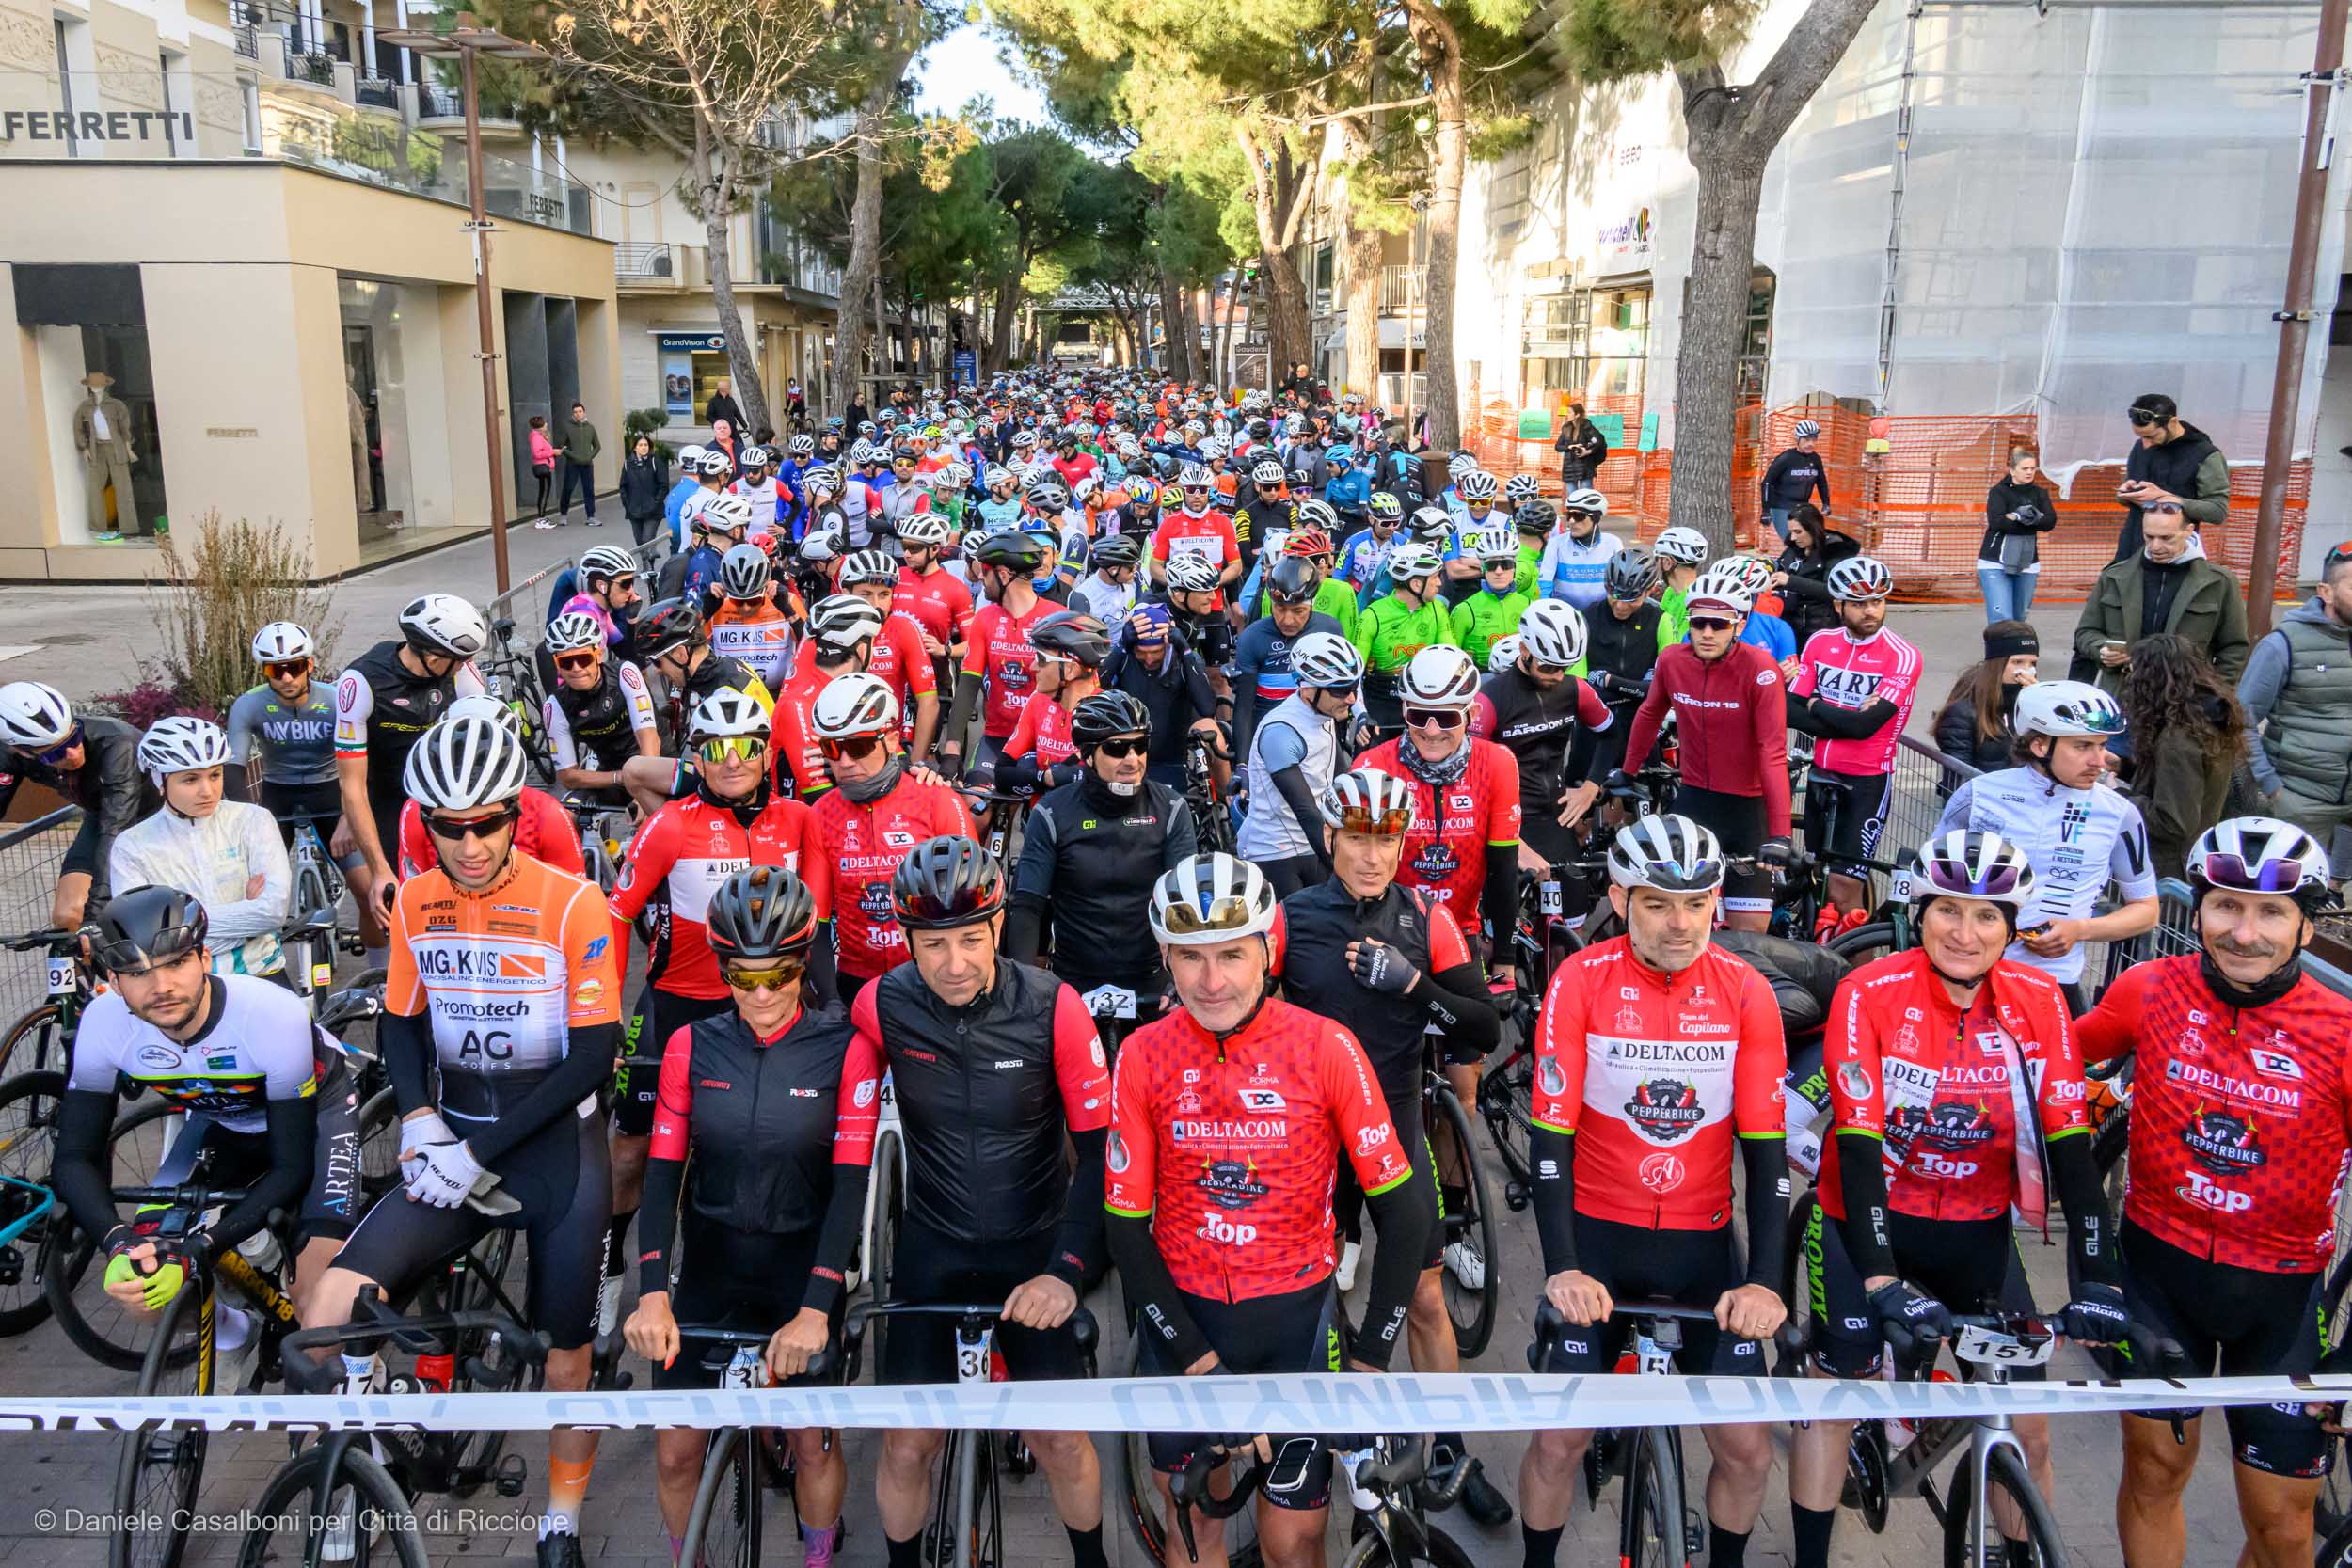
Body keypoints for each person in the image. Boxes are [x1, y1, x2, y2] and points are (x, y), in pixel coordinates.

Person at [310, 716, 621, 1568]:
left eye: (488, 820)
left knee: (567, 1359)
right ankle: (360, 1481)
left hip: (551, 1146)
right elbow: (402, 1026)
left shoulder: (572, 899)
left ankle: (558, 1517)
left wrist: (476, 1152)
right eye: (449, 826)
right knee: (331, 1307)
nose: (472, 842)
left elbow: (595, 1055)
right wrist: (416, 1116)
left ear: (516, 814)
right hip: (451, 1138)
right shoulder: (413, 899)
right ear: (425, 825)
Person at [1788, 831, 2122, 1568]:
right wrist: (1880, 1279)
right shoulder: (1867, 991)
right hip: (1862, 1223)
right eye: (1948, 911)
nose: (1965, 934)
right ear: (1919, 910)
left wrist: (2099, 1278)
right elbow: (1859, 1142)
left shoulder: (2038, 1002)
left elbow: (2071, 1152)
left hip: (1976, 1229)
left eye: (1987, 916)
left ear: (2011, 925)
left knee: (2028, 1428)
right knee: (1834, 1400)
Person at [1106, 852, 1433, 1568]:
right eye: (1189, 956)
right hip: (1184, 1328)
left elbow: (1406, 1213)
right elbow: (1125, 1226)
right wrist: (1196, 1360)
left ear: (1268, 949)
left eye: (1231, 953)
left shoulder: (1325, 1046)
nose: (1211, 979)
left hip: (1297, 1323)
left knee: (1295, 1543)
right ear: (1165, 954)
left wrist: (1374, 1357)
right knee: (1195, 1528)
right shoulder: (1142, 1055)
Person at [2075, 816, 2351, 1568]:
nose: (2244, 931)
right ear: (2196, 907)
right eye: (2226, 904)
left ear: (2305, 924)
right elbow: (2049, 1065)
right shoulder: (2149, 988)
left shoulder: (2342, 1031)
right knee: (2155, 1473)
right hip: (2158, 1277)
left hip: (2283, 1299)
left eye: (2271, 912)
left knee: (2284, 1527)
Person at [1519, 814, 1789, 1568]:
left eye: (1697, 902)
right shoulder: (1582, 980)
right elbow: (1550, 1142)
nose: (1681, 923)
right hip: (1598, 1241)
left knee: (1747, 1450)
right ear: (1618, 897)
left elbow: (1768, 1160)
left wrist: (1765, 1283)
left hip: (1703, 1250)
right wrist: (1562, 1265)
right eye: (1657, 904)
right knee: (1558, 1440)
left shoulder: (1745, 993)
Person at [849, 837, 1114, 1568]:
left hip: (1035, 1249)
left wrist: (1067, 1270)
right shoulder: (882, 1004)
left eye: (971, 938)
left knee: (1061, 1437)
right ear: (907, 941)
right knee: (907, 1443)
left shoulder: (1054, 1008)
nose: (955, 962)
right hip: (934, 1249)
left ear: (999, 926)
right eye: (933, 945)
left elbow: (1099, 1154)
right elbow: (837, 1123)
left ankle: (1091, 1560)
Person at [1267, 771, 1512, 1525]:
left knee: (1427, 1296)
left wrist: (1416, 988)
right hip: (1312, 1140)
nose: (1372, 856)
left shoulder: (1428, 918)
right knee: (1320, 1300)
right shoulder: (1288, 917)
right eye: (1357, 838)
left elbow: (1483, 1029)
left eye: (1386, 840)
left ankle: (1445, 1449)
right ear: (1331, 839)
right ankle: (1335, 1443)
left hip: (1396, 1126)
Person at [627, 865, 870, 1568]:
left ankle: (818, 1557)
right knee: (675, 1452)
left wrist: (818, 1307)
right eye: (742, 977)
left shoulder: (846, 1049)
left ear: (804, 965)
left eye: (780, 976)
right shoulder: (689, 1046)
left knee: (810, 1440)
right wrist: (650, 1294)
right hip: (710, 1267)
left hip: (801, 1273)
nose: (761, 995)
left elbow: (851, 1187)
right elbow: (661, 1180)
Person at [604, 687, 835, 1331]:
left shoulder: (799, 819)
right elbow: (616, 914)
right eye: (717, 749)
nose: (733, 760)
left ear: (767, 755)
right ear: (697, 759)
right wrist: (602, 1015)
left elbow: (813, 923)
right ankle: (609, 1279)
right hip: (678, 1005)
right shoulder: (670, 823)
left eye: (747, 748)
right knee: (630, 1151)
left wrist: (834, 1004)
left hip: (766, 1005)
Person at [55, 886, 359, 1339]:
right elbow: (73, 1158)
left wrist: (200, 1246)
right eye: (137, 973)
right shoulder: (102, 1024)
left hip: (318, 1115)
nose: (161, 988)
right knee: (144, 1290)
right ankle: (234, 1334)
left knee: (317, 1314)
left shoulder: (269, 1014)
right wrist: (119, 1241)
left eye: (175, 963)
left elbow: (292, 1167)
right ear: (114, 983)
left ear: (203, 959)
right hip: (222, 1120)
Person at [1933, 681, 2159, 1013]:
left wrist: (2081, 929)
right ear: (2039, 745)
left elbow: (2147, 911)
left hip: (2052, 982)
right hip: (1968, 971)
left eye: (2102, 745)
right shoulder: (1978, 795)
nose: (2100, 760)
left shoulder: (2119, 814)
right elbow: (1932, 878)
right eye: (2083, 746)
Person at [1008, 691, 1199, 1047]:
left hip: (1152, 978)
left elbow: (1184, 901)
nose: (1133, 759)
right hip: (1075, 979)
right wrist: (1023, 984)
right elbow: (1027, 905)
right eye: (1117, 748)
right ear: (1088, 755)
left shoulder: (1171, 808)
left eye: (1140, 745)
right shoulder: (1052, 813)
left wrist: (1182, 974)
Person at [1613, 567, 1793, 933]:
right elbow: (1649, 714)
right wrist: (1627, 772)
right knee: (1676, 925)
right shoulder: (1673, 661)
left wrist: (1781, 834)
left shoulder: (1761, 670)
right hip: (1695, 801)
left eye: (1719, 624)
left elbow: (1772, 751)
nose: (1707, 633)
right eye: (1699, 623)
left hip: (1748, 811)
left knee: (1748, 936)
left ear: (1739, 625)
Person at [1354, 645, 1522, 1016]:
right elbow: (1354, 871)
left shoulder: (1496, 763)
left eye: (1446, 718)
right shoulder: (1372, 764)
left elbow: (1502, 868)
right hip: (1388, 931)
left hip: (1459, 930)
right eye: (1419, 716)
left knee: (1467, 1064)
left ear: (1471, 714)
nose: (1431, 731)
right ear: (1404, 711)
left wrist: (1505, 960)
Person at [332, 594, 490, 951]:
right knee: (388, 897)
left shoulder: (461, 673)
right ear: (434, 658)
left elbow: (485, 744)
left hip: (442, 796)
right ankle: (383, 977)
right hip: (386, 795)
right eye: (461, 659)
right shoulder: (360, 683)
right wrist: (378, 869)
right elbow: (352, 784)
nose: (468, 665)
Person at [806, 673, 971, 1005]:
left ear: (892, 739)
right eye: (832, 748)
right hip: (856, 981)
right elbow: (817, 921)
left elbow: (974, 911)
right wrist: (830, 999)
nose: (845, 762)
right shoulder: (821, 814)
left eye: (859, 746)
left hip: (930, 979)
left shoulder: (937, 800)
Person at [1786, 556, 1919, 924]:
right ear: (1838, 604)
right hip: (1821, 771)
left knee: (1845, 890)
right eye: (1860, 603)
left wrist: (1816, 707)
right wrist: (1841, 717)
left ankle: (1856, 969)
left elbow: (1866, 728)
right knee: (1816, 876)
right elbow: (1788, 707)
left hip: (1866, 781)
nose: (1870, 611)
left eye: (1878, 601)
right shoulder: (1819, 642)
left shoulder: (1903, 655)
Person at [111, 717, 291, 980]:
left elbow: (273, 912)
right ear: (160, 781)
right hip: (184, 984)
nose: (207, 791)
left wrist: (179, 921)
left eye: (215, 775)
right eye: (190, 780)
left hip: (261, 973)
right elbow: (146, 935)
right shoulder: (132, 846)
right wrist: (246, 919)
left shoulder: (254, 820)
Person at [2236, 540, 2352, 878]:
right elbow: (2241, 719)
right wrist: (2272, 786)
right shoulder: (2283, 643)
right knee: (2290, 895)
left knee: (2335, 894)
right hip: (2300, 799)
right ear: (2325, 592)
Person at [1471, 600, 1614, 873]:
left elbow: (1612, 734)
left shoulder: (1576, 690)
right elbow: (1469, 772)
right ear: (1524, 650)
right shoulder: (1490, 700)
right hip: (1506, 819)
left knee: (1574, 912)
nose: (1558, 676)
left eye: (1566, 667)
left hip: (1555, 817)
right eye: (1548, 667)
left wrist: (1590, 786)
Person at [0, 681, 154, 931]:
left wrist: (96, 914)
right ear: (21, 752)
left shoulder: (116, 743)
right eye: (55, 753)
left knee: (121, 919)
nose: (72, 753)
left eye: (73, 738)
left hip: (151, 816)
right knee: (68, 917)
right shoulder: (9, 754)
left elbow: (116, 827)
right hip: (102, 815)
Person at [2074, 498, 2249, 713]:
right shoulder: (2114, 577)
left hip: (2188, 706)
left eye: (2167, 538)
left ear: (2188, 531)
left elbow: (2234, 648)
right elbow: (2086, 632)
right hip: (2122, 699)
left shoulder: (2219, 582)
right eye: (2149, 536)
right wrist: (2101, 650)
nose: (2156, 546)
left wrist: (2215, 696)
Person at [228, 623, 360, 879]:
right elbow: (234, 768)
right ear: (265, 672)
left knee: (365, 887)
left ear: (309, 666)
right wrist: (249, 817)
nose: (287, 678)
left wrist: (350, 816)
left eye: (295, 668)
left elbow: (364, 760)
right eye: (276, 670)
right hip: (278, 792)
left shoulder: (335, 701)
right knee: (258, 882)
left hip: (330, 788)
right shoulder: (249, 705)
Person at [1236, 630, 1362, 897]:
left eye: (1354, 687)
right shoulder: (1280, 731)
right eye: (1341, 690)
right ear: (1307, 687)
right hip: (1274, 849)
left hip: (1311, 841)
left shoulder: (1323, 713)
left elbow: (1342, 780)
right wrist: (1344, 868)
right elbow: (1305, 810)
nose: (1351, 699)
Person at [2118, 633, 2246, 880]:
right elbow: (2180, 785)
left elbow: (2173, 822)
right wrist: (2124, 768)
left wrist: (2117, 797)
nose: (2130, 679)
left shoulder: (2178, 739)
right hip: (2191, 857)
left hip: (2168, 869)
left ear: (2150, 680)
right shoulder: (2206, 719)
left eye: (2133, 672)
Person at [943, 531, 1058, 774]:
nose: (981, 579)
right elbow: (968, 685)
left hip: (1043, 739)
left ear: (1003, 575)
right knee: (977, 809)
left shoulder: (1054, 618)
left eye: (985, 572)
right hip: (997, 737)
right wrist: (952, 752)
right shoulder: (984, 618)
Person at [1101, 599, 1226, 790]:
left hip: (1174, 754)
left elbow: (1207, 707)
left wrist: (1185, 651)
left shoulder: (1181, 658)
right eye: (1142, 652)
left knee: (1214, 733)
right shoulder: (1125, 657)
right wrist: (1120, 648)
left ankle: (1228, 798)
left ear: (1167, 645)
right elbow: (1096, 688)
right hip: (1131, 751)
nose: (1149, 659)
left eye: (1156, 652)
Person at [1232, 556, 1347, 761]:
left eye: (1298, 610)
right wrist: (1242, 764)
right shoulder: (1252, 637)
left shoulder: (1330, 629)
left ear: (1312, 603)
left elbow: (1343, 689)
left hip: (1318, 735)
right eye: (1280, 608)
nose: (1288, 620)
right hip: (1270, 737)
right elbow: (1244, 709)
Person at [541, 611, 662, 806]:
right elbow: (568, 776)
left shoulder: (625, 673)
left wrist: (642, 791)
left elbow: (649, 737)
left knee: (653, 821)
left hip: (655, 763)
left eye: (583, 659)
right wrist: (620, 777)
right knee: (568, 814)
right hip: (612, 775)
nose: (576, 668)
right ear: (557, 665)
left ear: (598, 655)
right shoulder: (554, 706)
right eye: (566, 662)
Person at [835, 551, 942, 759]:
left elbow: (929, 702)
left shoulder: (904, 629)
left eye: (884, 595)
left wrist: (916, 762)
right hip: (837, 744)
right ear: (846, 593)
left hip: (889, 745)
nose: (876, 604)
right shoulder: (825, 629)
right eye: (865, 594)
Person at [1351, 542, 1456, 738]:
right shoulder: (1373, 615)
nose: (1440, 583)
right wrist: (1361, 716)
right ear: (1416, 584)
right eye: (1435, 577)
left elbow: (1451, 660)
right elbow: (1353, 675)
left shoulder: (1437, 609)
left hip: (1422, 702)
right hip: (1380, 705)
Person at [2113, 393, 2228, 562]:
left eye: (2151, 436)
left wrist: (2167, 499)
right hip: (2130, 550)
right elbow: (2130, 490)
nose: (2146, 444)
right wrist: (2126, 492)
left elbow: (2218, 512)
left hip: (2174, 555)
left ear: (2172, 422)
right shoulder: (2141, 445)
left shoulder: (2206, 455)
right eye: (2141, 437)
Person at [1930, 619, 2039, 777]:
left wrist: (2042, 708)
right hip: (1985, 797)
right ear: (1997, 664)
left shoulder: (2031, 703)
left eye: (2032, 663)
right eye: (2017, 662)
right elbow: (1957, 777)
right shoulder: (1963, 711)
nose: (2026, 670)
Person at [1583, 549, 1663, 727]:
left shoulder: (1661, 621)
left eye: (1632, 598)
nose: (1620, 606)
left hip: (1641, 721)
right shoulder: (1585, 618)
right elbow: (1579, 692)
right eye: (1615, 595)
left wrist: (1607, 681)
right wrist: (1637, 688)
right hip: (1594, 722)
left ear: (1650, 591)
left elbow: (1661, 690)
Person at [704, 543, 799, 690]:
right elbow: (691, 650)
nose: (746, 608)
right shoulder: (718, 605)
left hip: (778, 694)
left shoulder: (787, 600)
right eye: (738, 602)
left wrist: (789, 613)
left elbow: (811, 647)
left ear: (764, 587)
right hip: (731, 695)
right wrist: (705, 614)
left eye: (753, 601)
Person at [1979, 447, 2057, 623]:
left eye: (2033, 468)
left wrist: (2016, 516)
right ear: (2012, 470)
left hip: (2028, 562)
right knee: (2002, 617)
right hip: (1994, 562)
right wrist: (2033, 517)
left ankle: (2015, 649)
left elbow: (2050, 522)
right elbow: (1997, 522)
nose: (2030, 472)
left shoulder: (2040, 493)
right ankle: (2000, 650)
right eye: (2025, 468)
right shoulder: (1998, 492)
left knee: (2020, 616)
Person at [1768, 504, 1859, 648]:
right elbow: (1779, 569)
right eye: (1791, 532)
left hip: (1817, 626)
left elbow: (1831, 590)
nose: (1793, 537)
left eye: (1798, 532)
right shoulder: (1793, 549)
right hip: (1787, 624)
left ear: (1813, 528)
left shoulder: (1834, 551)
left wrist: (1790, 581)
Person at [1451, 526, 1534, 669]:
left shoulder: (1529, 606)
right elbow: (1451, 660)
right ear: (1482, 568)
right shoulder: (1463, 610)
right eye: (1491, 565)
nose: (1499, 571)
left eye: (1506, 564)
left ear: (1514, 567)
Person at [1534, 489, 1621, 615]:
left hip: (1601, 615)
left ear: (1595, 518)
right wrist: (1545, 611)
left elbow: (1619, 584)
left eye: (1579, 516)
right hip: (1564, 614)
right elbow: (1544, 585)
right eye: (1569, 515)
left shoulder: (1613, 543)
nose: (1571, 521)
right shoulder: (1556, 544)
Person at [1759, 418, 1830, 542]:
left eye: (1814, 440)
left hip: (1802, 507)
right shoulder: (1785, 458)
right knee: (1792, 542)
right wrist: (1765, 511)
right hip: (1782, 507)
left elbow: (1822, 482)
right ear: (1797, 439)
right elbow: (1766, 483)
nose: (1811, 444)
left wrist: (1826, 503)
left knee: (1809, 541)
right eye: (1807, 440)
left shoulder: (1816, 459)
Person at [1649, 525, 1709, 649]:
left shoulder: (1695, 601)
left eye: (1657, 559)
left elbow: (1677, 646)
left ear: (1667, 562)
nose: (1655, 564)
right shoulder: (1670, 592)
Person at [619, 433, 669, 551]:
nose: (643, 447)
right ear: (635, 447)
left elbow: (664, 486)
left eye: (646, 445)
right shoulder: (628, 464)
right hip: (634, 510)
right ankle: (646, 560)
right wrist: (627, 503)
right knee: (639, 541)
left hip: (653, 511)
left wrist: (654, 502)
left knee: (647, 538)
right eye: (640, 445)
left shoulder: (655, 462)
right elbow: (623, 486)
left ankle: (649, 565)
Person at [557, 401, 602, 526]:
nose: (578, 414)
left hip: (587, 464)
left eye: (580, 411)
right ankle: (563, 514)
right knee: (568, 488)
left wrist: (589, 457)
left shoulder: (590, 428)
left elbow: (598, 446)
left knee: (589, 490)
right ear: (573, 414)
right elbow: (562, 445)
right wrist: (573, 456)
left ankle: (591, 516)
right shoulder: (568, 427)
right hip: (572, 464)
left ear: (584, 412)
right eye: (575, 412)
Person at [1553, 401, 1607, 491]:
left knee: (1585, 497)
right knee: (1572, 498)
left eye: (1569, 412)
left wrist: (1587, 451)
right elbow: (1558, 446)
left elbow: (1599, 441)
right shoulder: (1566, 427)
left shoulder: (1586, 426)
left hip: (1585, 468)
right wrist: (1569, 447)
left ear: (1577, 415)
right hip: (1569, 469)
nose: (1567, 415)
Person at [529, 414, 558, 520]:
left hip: (544, 466)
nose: (547, 424)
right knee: (544, 492)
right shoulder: (536, 437)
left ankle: (542, 517)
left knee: (544, 492)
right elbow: (537, 454)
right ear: (540, 426)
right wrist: (552, 451)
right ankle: (541, 518)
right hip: (542, 467)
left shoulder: (538, 436)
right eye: (545, 423)